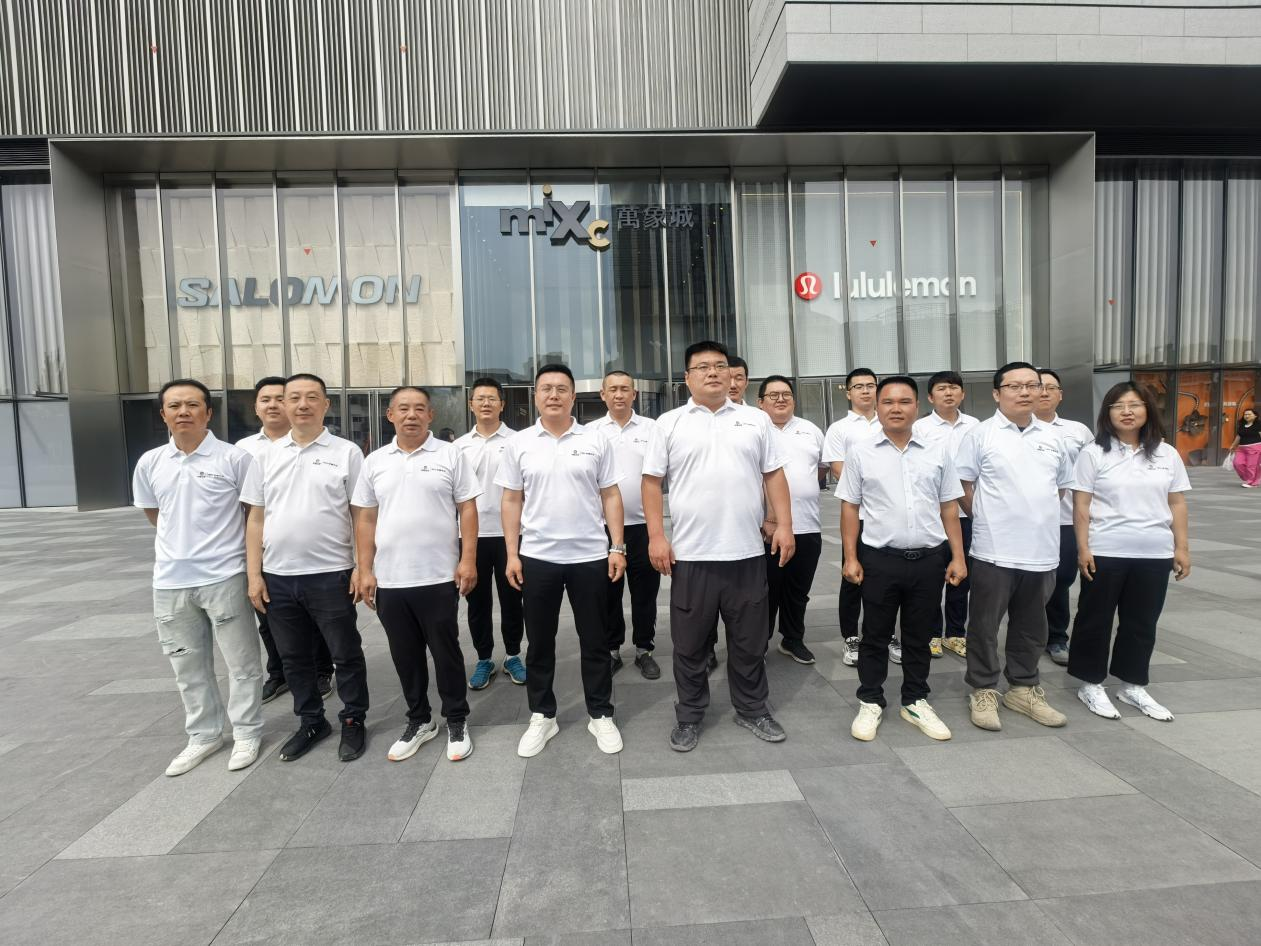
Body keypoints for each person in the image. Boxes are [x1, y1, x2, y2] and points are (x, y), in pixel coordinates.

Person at [643, 340, 795, 753]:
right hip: (692, 557)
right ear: (687, 377)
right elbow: (651, 482)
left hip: (746, 554)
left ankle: (752, 709)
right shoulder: (669, 423)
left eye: (720, 366)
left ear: (732, 375)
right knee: (690, 645)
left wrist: (784, 525)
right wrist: (656, 536)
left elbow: (774, 475)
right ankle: (690, 715)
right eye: (703, 367)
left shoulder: (755, 420)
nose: (713, 372)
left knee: (749, 643)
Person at [132, 379, 265, 776]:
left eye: (192, 405)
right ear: (164, 414)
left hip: (224, 575)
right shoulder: (150, 462)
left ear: (208, 412)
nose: (184, 412)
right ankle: (204, 735)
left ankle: (247, 732)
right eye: (175, 406)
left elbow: (253, 516)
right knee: (187, 666)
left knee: (242, 663)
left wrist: (252, 573)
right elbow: (155, 514)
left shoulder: (234, 459)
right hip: (170, 581)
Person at [498, 363, 627, 758]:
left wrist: (617, 546)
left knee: (595, 639)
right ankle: (543, 714)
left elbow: (611, 494)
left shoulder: (595, 440)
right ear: (535, 395)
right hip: (538, 557)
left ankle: (600, 713)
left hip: (590, 556)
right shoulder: (519, 444)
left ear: (573, 396)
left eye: (561, 389)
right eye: (546, 388)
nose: (553, 395)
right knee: (539, 642)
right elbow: (511, 499)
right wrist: (511, 554)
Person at [243, 372, 371, 763]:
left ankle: (353, 718)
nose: (302, 404)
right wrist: (254, 575)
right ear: (283, 404)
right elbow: (255, 518)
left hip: (331, 573)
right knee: (294, 657)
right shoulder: (264, 456)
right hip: (278, 577)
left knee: (344, 654)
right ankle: (311, 721)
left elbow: (362, 514)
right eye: (294, 397)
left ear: (326, 404)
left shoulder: (346, 452)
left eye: (312, 397)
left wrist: (361, 566)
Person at [353, 387, 481, 763]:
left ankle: (456, 719)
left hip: (438, 575)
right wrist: (364, 569)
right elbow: (366, 518)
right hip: (391, 579)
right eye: (404, 409)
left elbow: (467, 509)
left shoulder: (450, 455)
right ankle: (420, 720)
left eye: (419, 409)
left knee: (446, 652)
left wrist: (468, 560)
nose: (412, 415)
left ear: (430, 415)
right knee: (405, 655)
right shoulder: (375, 461)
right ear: (390, 415)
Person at [840, 376, 967, 742]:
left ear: (917, 406)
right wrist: (851, 557)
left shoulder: (937, 450)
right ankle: (870, 700)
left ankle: (915, 699)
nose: (896, 408)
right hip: (880, 559)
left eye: (904, 401)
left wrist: (958, 557)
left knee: (919, 635)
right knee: (875, 634)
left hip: (929, 560)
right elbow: (850, 508)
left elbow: (949, 507)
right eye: (888, 402)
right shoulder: (861, 452)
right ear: (878, 407)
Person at [955, 362, 1072, 732]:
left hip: (1042, 551)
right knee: (984, 625)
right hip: (994, 550)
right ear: (996, 393)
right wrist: (987, 519)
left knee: (1032, 625)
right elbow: (963, 486)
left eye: (1032, 385)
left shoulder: (1054, 437)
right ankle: (983, 689)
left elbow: (1060, 488)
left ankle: (1023, 688)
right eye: (1014, 386)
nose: (1025, 392)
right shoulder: (980, 435)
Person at [1069, 382, 1191, 722]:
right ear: (1107, 413)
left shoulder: (1166, 454)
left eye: (1135, 404)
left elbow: (1177, 502)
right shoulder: (1094, 453)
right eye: (1118, 405)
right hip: (1106, 549)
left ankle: (1132, 684)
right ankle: (1090, 683)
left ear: (1147, 410)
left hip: (1154, 552)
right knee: (1095, 618)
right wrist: (1083, 547)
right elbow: (1081, 505)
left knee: (1142, 621)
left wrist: (1181, 547)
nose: (1127, 411)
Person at [235, 376, 334, 704]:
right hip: (261, 549)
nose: (274, 405)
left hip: (313, 554)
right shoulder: (245, 450)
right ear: (256, 407)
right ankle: (278, 673)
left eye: (280, 398)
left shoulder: (319, 445)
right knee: (268, 618)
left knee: (314, 620)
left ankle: (321, 670)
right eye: (266, 400)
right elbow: (247, 507)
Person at [454, 377, 526, 689]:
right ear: (471, 404)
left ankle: (513, 655)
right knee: (476, 602)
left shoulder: (518, 441)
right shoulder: (458, 447)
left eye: (492, 398)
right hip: (471, 538)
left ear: (502, 404)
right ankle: (484, 658)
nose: (486, 403)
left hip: (511, 534)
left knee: (513, 599)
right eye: (480, 398)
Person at [592, 370, 662, 680]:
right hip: (603, 528)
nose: (619, 394)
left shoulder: (652, 429)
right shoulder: (591, 432)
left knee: (645, 593)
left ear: (634, 394)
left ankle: (644, 649)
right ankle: (612, 649)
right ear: (603, 395)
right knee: (608, 592)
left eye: (625, 389)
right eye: (613, 389)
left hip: (644, 526)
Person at [757, 375, 826, 665]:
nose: (781, 399)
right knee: (766, 591)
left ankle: (792, 638)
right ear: (760, 402)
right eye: (773, 395)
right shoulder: (755, 430)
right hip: (766, 529)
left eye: (786, 394)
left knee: (798, 590)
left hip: (807, 525)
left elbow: (821, 469)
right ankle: (758, 643)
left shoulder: (810, 430)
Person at [911, 370, 978, 660]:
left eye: (953, 388)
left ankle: (955, 633)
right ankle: (931, 633)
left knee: (962, 576)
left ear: (962, 394)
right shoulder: (920, 428)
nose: (948, 393)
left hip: (967, 515)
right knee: (932, 577)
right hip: (933, 516)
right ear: (930, 397)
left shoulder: (975, 427)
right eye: (941, 389)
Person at [823, 368, 884, 667]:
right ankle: (851, 637)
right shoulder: (840, 429)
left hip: (888, 516)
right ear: (848, 393)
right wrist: (879, 485)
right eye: (858, 387)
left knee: (886, 578)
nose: (865, 391)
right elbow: (838, 469)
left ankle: (884, 634)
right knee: (853, 575)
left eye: (870, 385)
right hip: (857, 515)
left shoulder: (890, 422)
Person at [1035, 368, 1093, 666]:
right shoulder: (1014, 430)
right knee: (1026, 582)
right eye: (1038, 386)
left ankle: (1056, 636)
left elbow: (1095, 473)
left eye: (1051, 387)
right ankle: (1031, 634)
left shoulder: (1078, 431)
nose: (1044, 392)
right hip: (1028, 521)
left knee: (1062, 579)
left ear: (1061, 394)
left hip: (1067, 519)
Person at [699, 353, 753, 673]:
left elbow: (770, 475)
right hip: (701, 537)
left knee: (745, 606)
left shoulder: (756, 420)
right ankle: (707, 648)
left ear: (745, 382)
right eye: (724, 373)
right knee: (703, 605)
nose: (730, 382)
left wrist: (774, 519)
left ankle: (747, 655)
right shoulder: (688, 420)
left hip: (746, 532)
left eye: (737, 377)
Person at [1227, 408, 1261, 487]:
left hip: (1254, 448)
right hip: (1241, 448)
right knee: (1237, 463)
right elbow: (1239, 436)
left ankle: (1251, 482)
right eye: (1245, 414)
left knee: (1251, 466)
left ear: (1255, 416)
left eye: (1249, 414)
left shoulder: (1259, 424)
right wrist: (1233, 445)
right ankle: (1249, 478)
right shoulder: (1242, 425)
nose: (1247, 416)